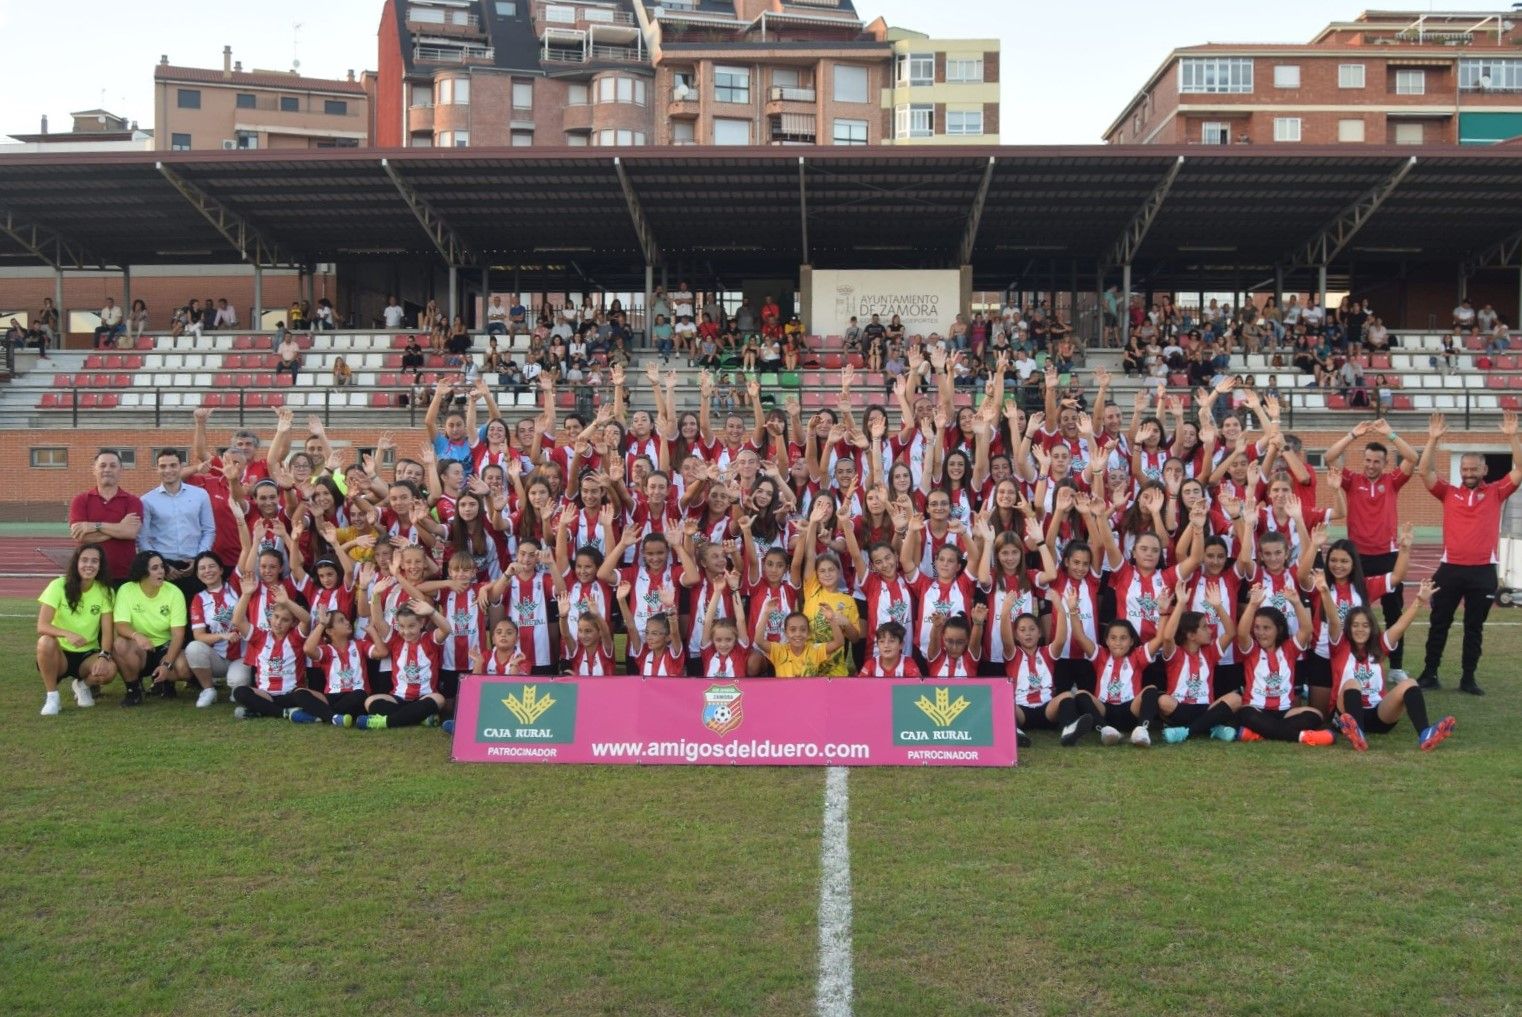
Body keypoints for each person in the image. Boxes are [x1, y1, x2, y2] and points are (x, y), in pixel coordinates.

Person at [1414, 411, 1522, 695]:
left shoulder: (1497, 491)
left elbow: (1520, 469)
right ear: (1460, 470)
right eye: (1465, 469)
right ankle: (1429, 673)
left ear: (1484, 470)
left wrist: (1512, 437)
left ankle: (1468, 678)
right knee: (1439, 623)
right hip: (1450, 570)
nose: (1469, 474)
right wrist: (1432, 439)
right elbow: (1424, 471)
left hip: (1483, 571)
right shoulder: (1449, 493)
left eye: (1474, 469)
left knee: (1474, 628)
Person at [1323, 420, 1418, 680]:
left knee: (1393, 613)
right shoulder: (1352, 480)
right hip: (1358, 558)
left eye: (1377, 461)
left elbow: (1413, 457)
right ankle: (1353, 660)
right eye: (1368, 460)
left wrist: (1391, 434)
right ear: (1362, 461)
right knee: (1355, 613)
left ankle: (1395, 668)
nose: (1371, 465)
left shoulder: (1393, 481)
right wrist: (1353, 433)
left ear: (1385, 463)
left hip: (1387, 556)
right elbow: (1330, 456)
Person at [1331, 580, 1457, 753]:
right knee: (1352, 683)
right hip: (1347, 714)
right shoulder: (1340, 646)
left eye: (1365, 625)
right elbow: (1333, 621)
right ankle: (1357, 733)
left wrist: (1419, 602)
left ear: (1372, 628)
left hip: (1378, 713)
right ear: (1348, 628)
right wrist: (1324, 591)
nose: (1360, 630)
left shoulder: (1378, 647)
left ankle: (1426, 734)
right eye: (1355, 625)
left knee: (1410, 683)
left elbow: (1399, 626)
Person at [36, 545, 118, 715]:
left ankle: (82, 686)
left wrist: (104, 656)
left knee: (110, 670)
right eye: (84, 560)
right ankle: (52, 697)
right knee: (45, 641)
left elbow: (108, 632)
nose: (89, 565)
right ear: (76, 563)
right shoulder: (58, 585)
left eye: (95, 561)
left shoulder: (105, 592)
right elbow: (42, 626)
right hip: (60, 654)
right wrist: (67, 633)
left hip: (87, 655)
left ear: (100, 565)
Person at [111, 551, 194, 708]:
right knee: (119, 645)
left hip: (165, 646)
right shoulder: (126, 590)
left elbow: (178, 635)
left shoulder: (174, 592)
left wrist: (167, 664)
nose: (161, 571)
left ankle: (166, 683)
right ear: (143, 572)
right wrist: (137, 636)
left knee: (184, 669)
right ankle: (133, 690)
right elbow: (121, 625)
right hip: (140, 648)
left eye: (162, 567)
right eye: (155, 568)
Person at [137, 449, 216, 601]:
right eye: (163, 466)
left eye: (173, 465)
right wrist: (162, 565)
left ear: (181, 467)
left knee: (194, 616)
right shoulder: (147, 500)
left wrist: (200, 558)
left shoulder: (200, 495)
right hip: (163, 566)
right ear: (157, 469)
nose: (168, 470)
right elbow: (143, 538)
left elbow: (209, 530)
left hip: (194, 564)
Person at [68, 450, 143, 585]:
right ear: (94, 470)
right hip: (89, 575)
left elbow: (130, 533)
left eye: (113, 466)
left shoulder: (133, 501)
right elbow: (80, 536)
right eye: (102, 465)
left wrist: (95, 526)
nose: (107, 469)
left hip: (124, 575)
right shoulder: (80, 500)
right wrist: (119, 528)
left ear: (121, 470)